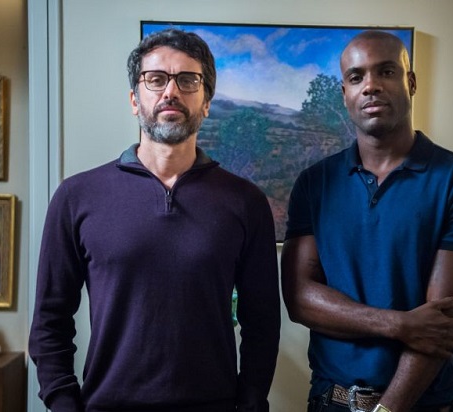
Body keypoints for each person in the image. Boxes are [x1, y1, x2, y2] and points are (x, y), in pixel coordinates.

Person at [29, 28, 280, 412]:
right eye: (156, 79)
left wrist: (250, 404)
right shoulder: (76, 197)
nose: (171, 91)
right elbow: (50, 320)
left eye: (188, 80)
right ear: (135, 99)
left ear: (206, 103)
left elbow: (262, 324)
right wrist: (63, 403)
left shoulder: (246, 202)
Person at [281, 30, 453, 412]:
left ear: (411, 82)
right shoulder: (315, 184)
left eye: (386, 72)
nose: (371, 86)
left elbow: (439, 326)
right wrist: (398, 324)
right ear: (344, 93)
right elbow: (299, 298)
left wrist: (387, 409)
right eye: (356, 77)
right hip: (329, 401)